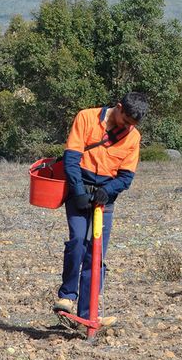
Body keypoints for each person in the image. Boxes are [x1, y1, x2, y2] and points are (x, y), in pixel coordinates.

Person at [53, 92, 148, 329]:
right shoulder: (86, 118)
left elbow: (126, 177)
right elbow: (71, 160)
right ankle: (67, 297)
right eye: (125, 121)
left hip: (105, 200)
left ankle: (89, 315)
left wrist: (107, 191)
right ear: (118, 108)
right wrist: (79, 192)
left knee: (96, 256)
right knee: (77, 241)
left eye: (132, 126)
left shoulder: (133, 136)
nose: (127, 128)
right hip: (78, 193)